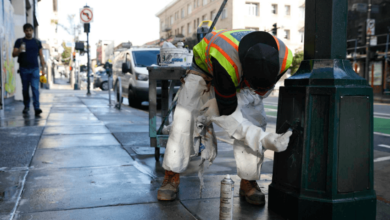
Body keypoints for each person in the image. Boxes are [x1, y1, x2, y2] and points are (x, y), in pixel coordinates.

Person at [157, 30, 294, 205]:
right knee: (184, 120)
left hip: (243, 75)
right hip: (204, 70)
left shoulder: (284, 58)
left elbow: (260, 92)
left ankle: (248, 180)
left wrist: (257, 132)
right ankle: (171, 175)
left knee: (255, 120)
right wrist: (262, 139)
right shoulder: (226, 61)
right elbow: (227, 113)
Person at [12, 23, 45, 115]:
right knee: (25, 89)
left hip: (35, 69)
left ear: (32, 31)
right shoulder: (19, 41)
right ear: (24, 31)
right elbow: (13, 54)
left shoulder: (37, 42)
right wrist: (19, 50)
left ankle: (37, 108)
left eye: (30, 30)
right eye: (27, 30)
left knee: (35, 88)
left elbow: (41, 56)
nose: (29, 32)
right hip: (24, 69)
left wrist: (43, 68)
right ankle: (26, 106)